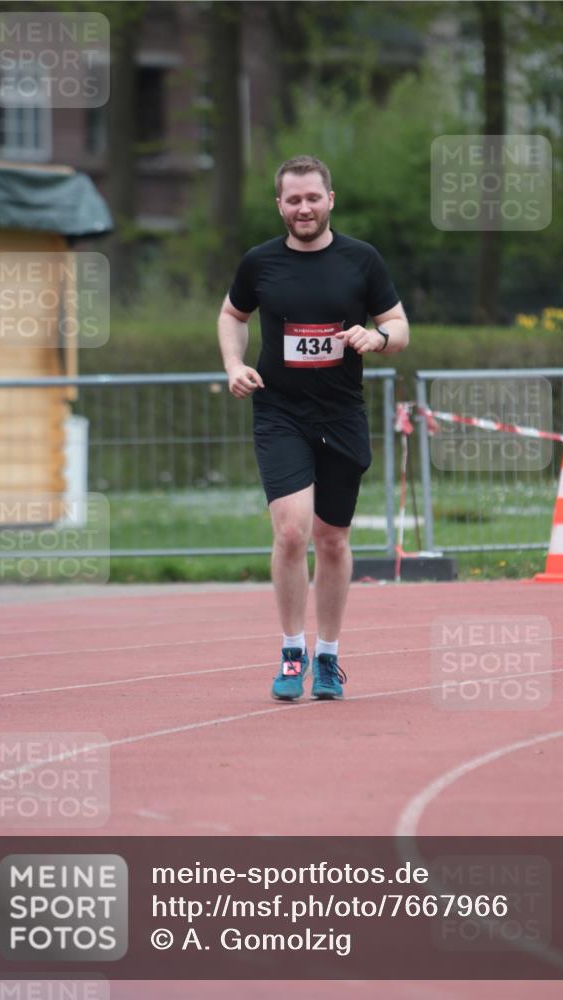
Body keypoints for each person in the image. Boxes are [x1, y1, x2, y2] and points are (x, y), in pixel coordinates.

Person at [218, 155, 409, 702]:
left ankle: (328, 657)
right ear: (280, 205)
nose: (304, 207)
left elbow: (397, 324)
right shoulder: (260, 263)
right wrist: (234, 366)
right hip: (280, 412)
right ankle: (291, 649)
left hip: (342, 414)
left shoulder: (361, 260)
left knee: (332, 540)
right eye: (293, 199)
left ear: (331, 200)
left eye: (313, 197)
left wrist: (379, 339)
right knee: (292, 532)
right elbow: (233, 314)